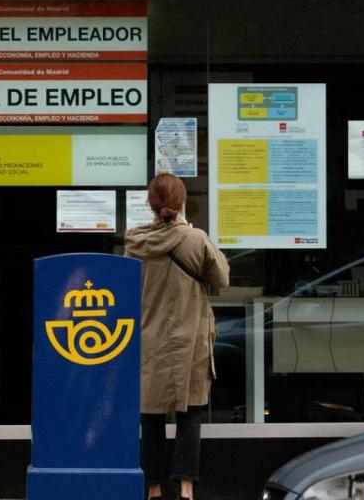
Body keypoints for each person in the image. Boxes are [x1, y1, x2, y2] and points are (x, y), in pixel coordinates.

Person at [124, 173, 230, 500]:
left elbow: (128, 291)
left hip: (150, 339)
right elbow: (222, 277)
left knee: (151, 417)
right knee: (190, 413)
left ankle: (154, 488)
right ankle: (186, 488)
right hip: (191, 339)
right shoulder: (196, 239)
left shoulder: (135, 245)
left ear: (150, 204)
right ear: (181, 202)